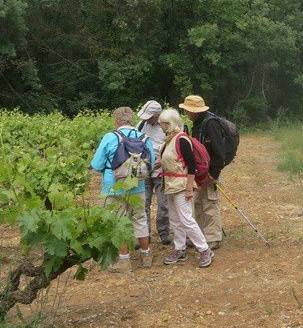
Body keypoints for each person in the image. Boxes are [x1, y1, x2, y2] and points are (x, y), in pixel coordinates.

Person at [89, 107, 155, 272]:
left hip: (114, 187)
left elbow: (96, 164)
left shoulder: (110, 137)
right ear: (132, 120)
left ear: (116, 121)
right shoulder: (144, 138)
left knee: (119, 221)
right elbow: (151, 164)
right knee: (140, 218)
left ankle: (124, 261)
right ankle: (146, 255)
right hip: (138, 185)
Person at [157, 109, 213, 268]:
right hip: (170, 184)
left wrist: (189, 188)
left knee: (187, 219)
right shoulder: (169, 140)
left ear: (171, 123)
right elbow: (174, 161)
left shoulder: (181, 139)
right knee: (175, 219)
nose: (162, 126)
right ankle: (179, 249)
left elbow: (192, 166)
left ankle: (205, 250)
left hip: (182, 185)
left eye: (164, 123)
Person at [179, 95, 226, 250]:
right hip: (200, 172)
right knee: (198, 204)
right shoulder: (197, 123)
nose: (186, 113)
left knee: (210, 204)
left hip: (210, 172)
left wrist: (215, 172)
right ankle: (200, 237)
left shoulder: (210, 124)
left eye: (187, 111)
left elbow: (219, 151)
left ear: (194, 111)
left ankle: (213, 238)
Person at [137, 100, 171, 245]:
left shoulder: (167, 126)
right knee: (143, 203)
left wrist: (162, 160)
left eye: (150, 116)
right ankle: (144, 235)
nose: (147, 119)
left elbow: (173, 147)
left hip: (161, 171)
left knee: (163, 203)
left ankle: (164, 232)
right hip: (144, 171)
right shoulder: (140, 125)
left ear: (157, 115)